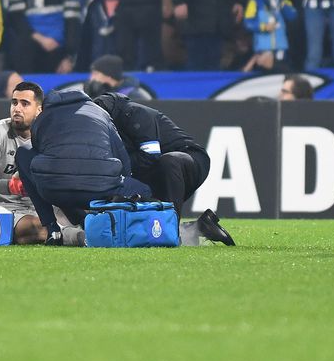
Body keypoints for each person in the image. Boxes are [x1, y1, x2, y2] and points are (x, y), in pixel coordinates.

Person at [14, 89, 153, 245]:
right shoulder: (100, 113)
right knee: (143, 190)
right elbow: (123, 159)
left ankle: (53, 229)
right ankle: (129, 229)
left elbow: (37, 153)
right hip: (100, 191)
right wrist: (119, 184)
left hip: (54, 191)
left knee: (24, 154)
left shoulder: (42, 118)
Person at [93, 92, 233, 246]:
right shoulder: (110, 124)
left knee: (169, 161)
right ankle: (198, 228)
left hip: (190, 161)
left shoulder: (137, 114)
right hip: (158, 170)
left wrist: (118, 168)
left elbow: (150, 156)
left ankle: (172, 232)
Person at [0, 81, 84, 245]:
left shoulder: (51, 136)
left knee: (82, 212)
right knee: (35, 226)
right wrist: (9, 186)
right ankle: (80, 237)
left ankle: (80, 231)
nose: (17, 109)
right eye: (14, 102)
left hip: (40, 208)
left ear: (39, 110)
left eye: (25, 104)